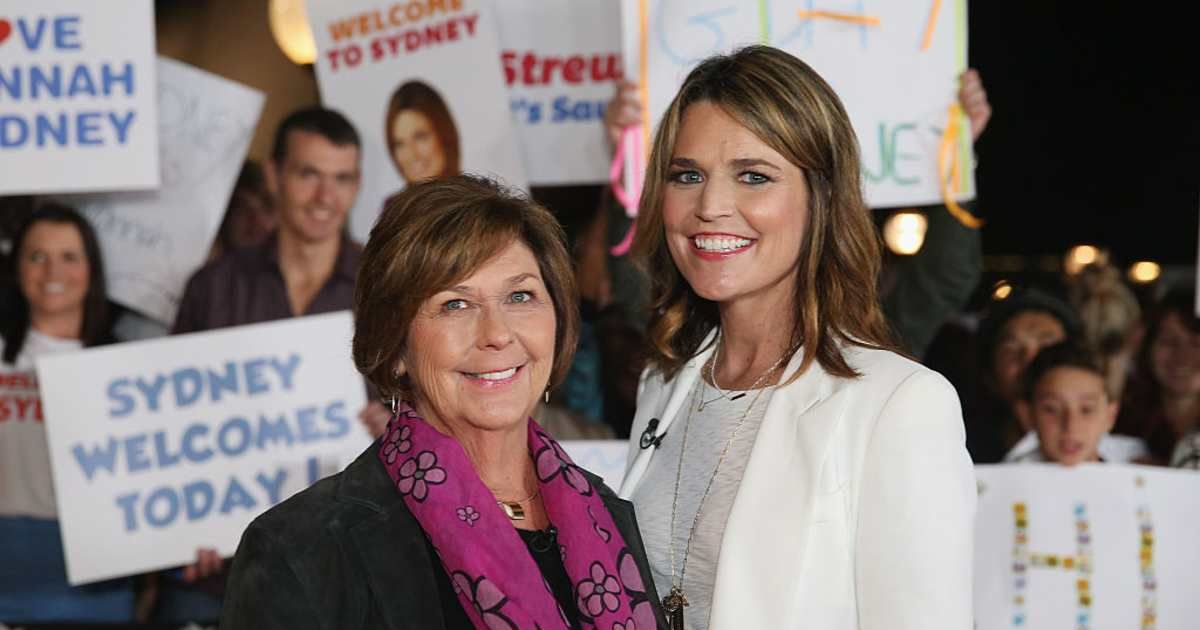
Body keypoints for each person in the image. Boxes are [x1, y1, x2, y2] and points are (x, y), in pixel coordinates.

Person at [619, 46, 974, 629]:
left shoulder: (899, 403)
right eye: (688, 175)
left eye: (754, 177)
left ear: (821, 198)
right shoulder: (663, 383)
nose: (710, 206)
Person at [221, 175, 666, 629]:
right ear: (396, 346)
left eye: (520, 296)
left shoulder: (610, 516)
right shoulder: (301, 551)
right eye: (456, 304)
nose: (497, 334)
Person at [164, 106, 370, 622]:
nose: (325, 197)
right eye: (308, 175)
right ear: (274, 176)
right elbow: (169, 427)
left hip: (349, 568)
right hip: (224, 570)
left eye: (342, 179)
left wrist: (396, 424)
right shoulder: (214, 287)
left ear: (358, 185)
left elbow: (425, 407)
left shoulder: (387, 288)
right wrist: (181, 526)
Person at [0, 204, 133, 622]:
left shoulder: (130, 371)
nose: (52, 271)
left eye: (69, 257)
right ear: (16, 268)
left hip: (98, 587)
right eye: (37, 256)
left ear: (91, 270)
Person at [964, 287, 1082, 463]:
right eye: (1011, 350)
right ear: (989, 377)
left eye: (1047, 347)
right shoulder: (961, 451)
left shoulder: (1116, 457)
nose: (1030, 360)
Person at [1005, 341, 1147, 464]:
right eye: (1052, 409)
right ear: (1027, 415)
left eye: (1087, 409)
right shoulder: (1004, 481)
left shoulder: (1136, 471)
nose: (1071, 426)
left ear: (1110, 416)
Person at [1114, 289, 1200, 463]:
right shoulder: (1120, 420)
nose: (1182, 356)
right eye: (1168, 341)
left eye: (1196, 343)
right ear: (1147, 348)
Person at [385, 80, 461, 183]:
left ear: (444, 133)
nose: (411, 155)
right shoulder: (393, 196)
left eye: (420, 137)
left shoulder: (478, 191)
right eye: (399, 144)